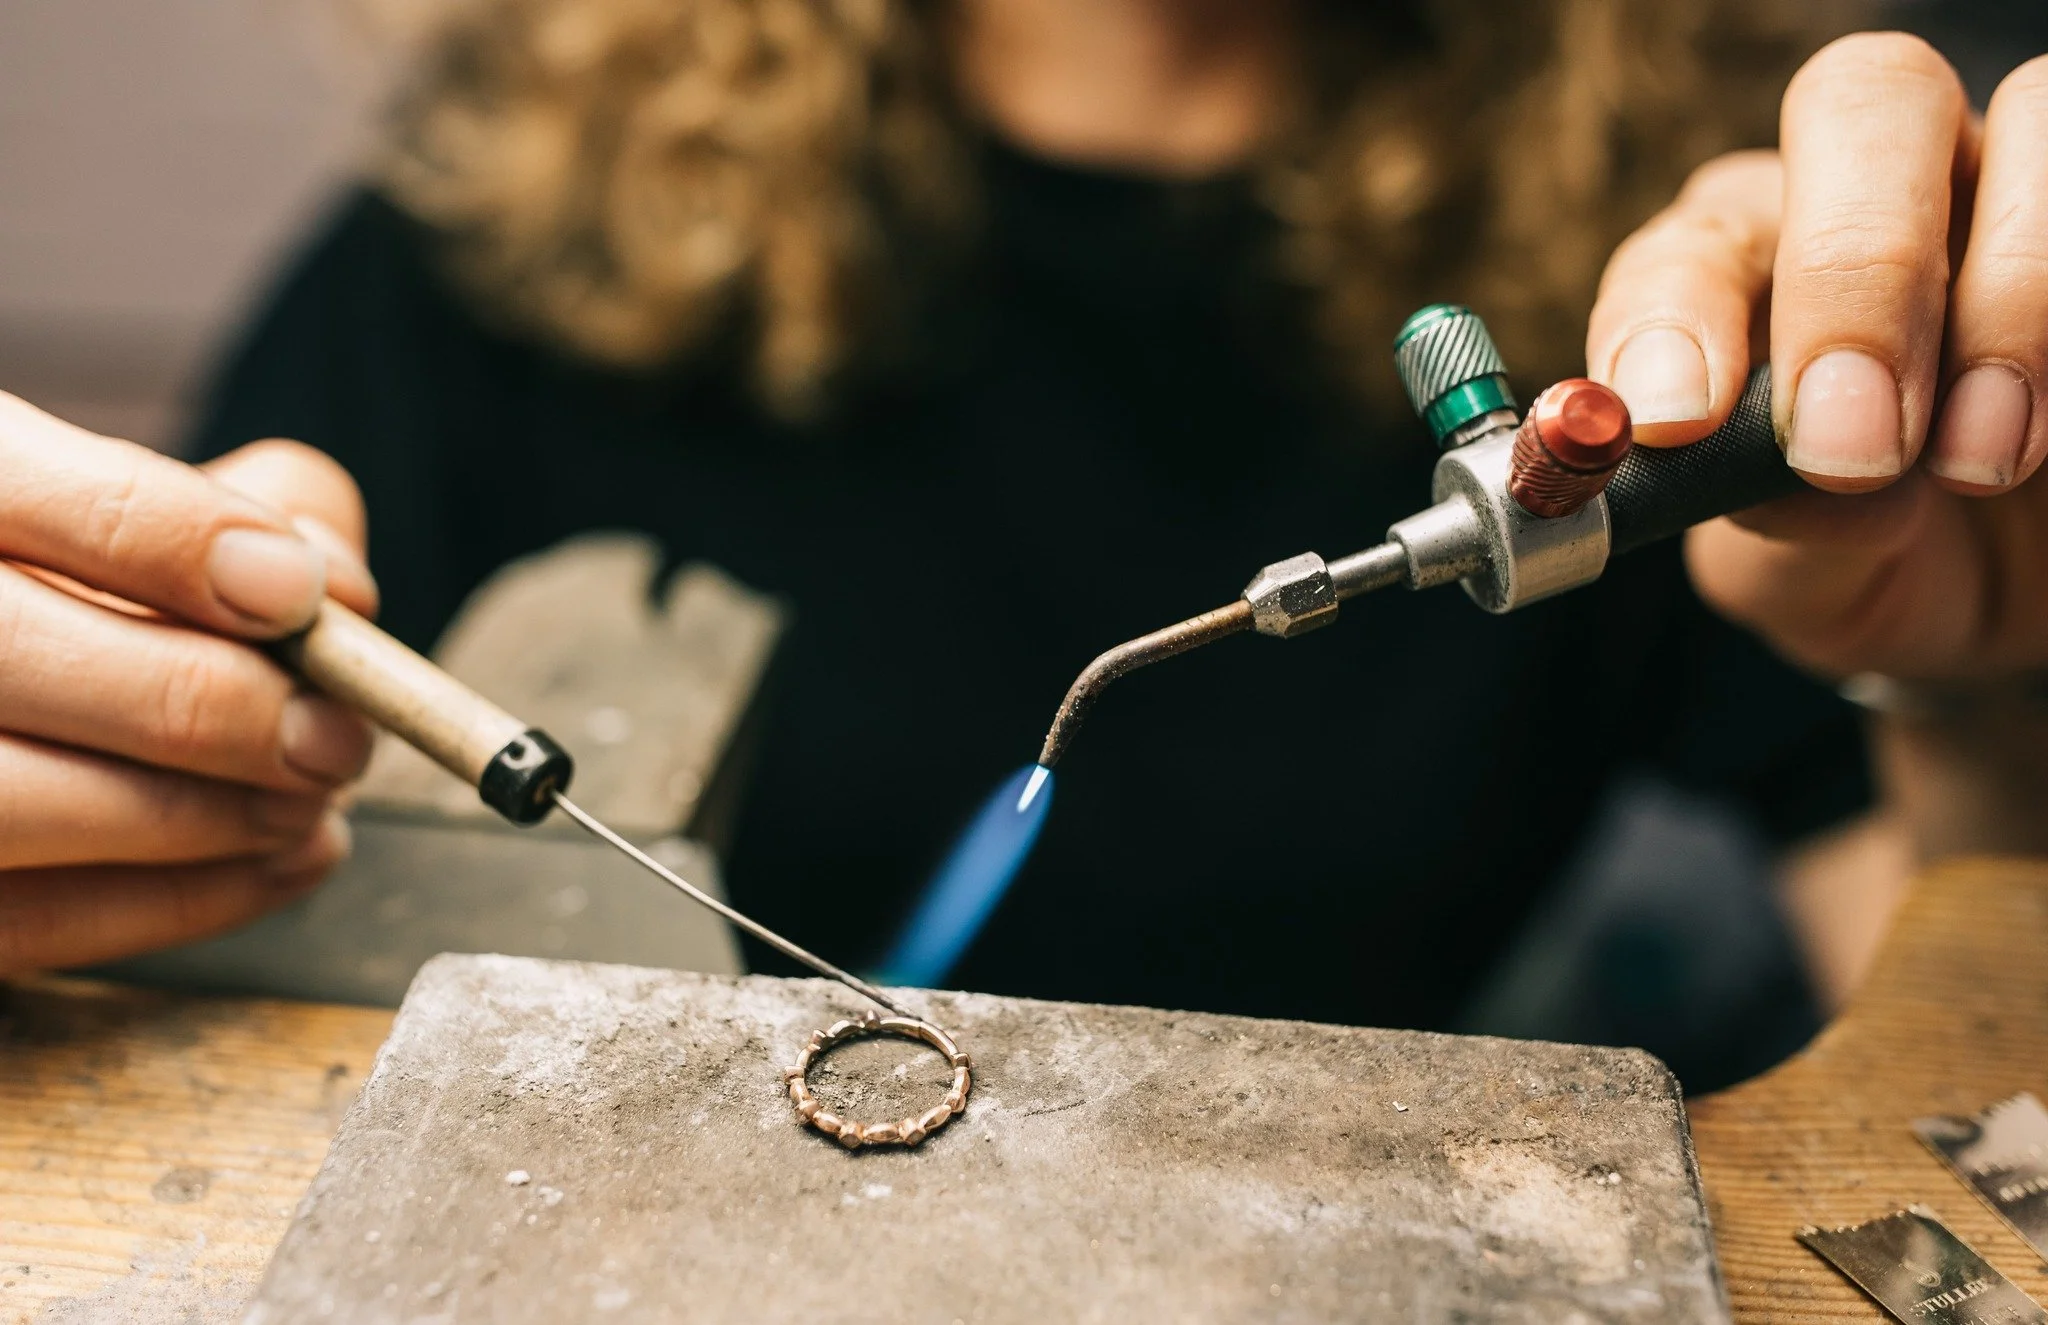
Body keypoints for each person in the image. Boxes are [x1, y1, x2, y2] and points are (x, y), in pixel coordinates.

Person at [2, 0, 2044, 1061]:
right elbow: (202, 788)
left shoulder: (1666, 277)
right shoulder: (499, 227)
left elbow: (1967, 1124)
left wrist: (1984, 678)